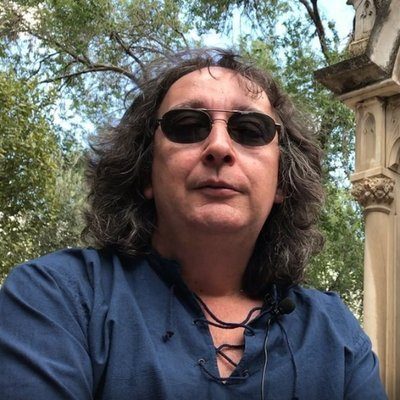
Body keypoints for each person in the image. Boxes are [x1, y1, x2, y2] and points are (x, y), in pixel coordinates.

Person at [0, 48, 387, 400]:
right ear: (146, 172)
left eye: (250, 131)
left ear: (282, 183)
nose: (219, 146)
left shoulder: (335, 335)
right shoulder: (58, 298)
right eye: (187, 126)